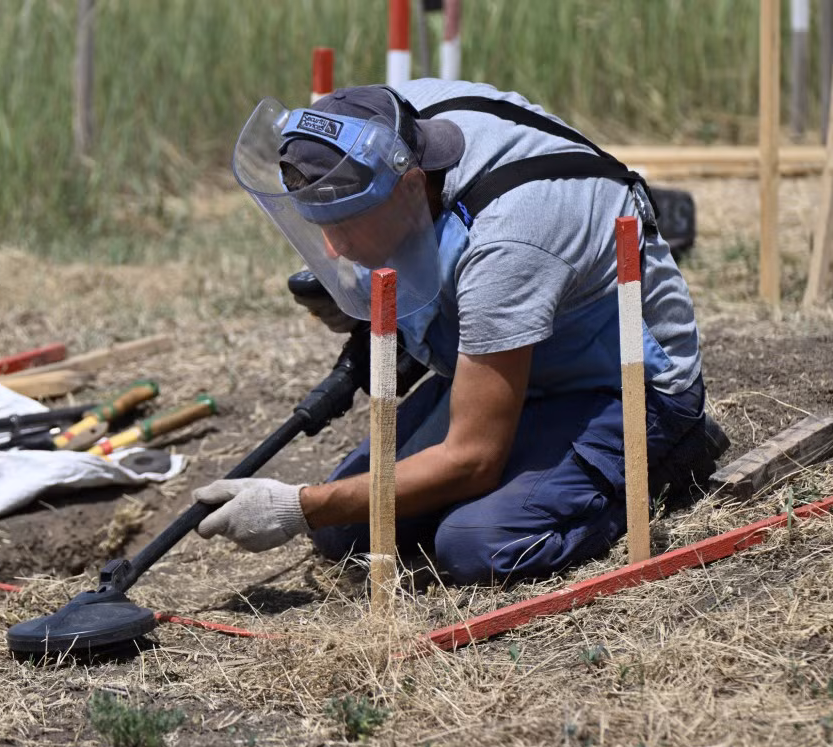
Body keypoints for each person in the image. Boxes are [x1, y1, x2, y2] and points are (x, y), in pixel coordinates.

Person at [193, 79, 727, 586]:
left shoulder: (511, 239)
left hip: (624, 386)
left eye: (345, 224)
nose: (331, 250)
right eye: (321, 225)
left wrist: (296, 506)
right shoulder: (392, 120)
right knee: (345, 531)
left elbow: (472, 458)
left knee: (477, 544)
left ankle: (673, 454)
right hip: (517, 357)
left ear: (406, 186)